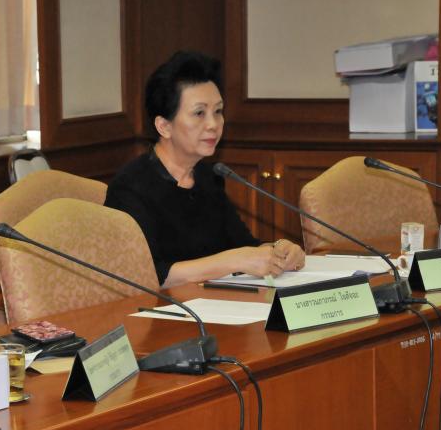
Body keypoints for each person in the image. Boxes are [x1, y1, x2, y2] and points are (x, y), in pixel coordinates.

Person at [105, 51, 305, 287]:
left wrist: (278, 250)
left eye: (218, 111)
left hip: (212, 302)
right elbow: (150, 274)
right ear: (164, 126)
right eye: (199, 113)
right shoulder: (130, 188)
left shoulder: (207, 176)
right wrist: (233, 261)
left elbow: (242, 245)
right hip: (160, 307)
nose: (213, 124)